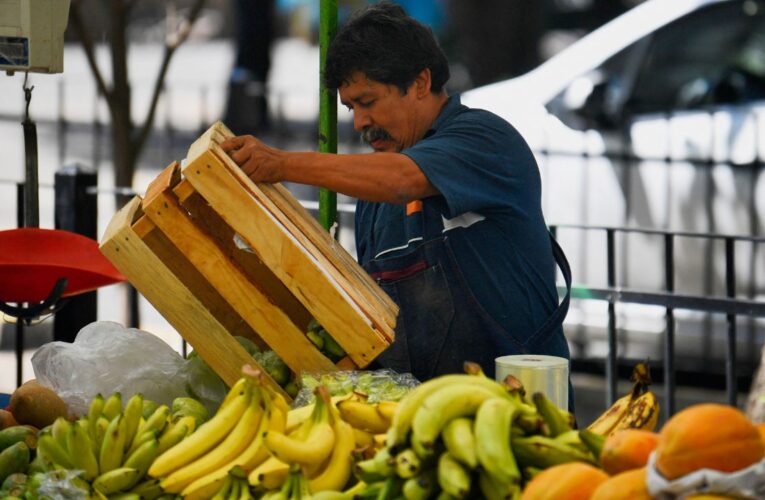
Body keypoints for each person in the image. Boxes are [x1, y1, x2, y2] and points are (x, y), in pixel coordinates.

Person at [221, 1, 572, 384]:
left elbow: (403, 180)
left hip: (521, 403)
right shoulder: (372, 196)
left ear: (421, 83)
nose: (360, 122)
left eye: (368, 102)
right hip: (420, 415)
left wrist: (282, 164)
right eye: (351, 107)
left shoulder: (485, 140)